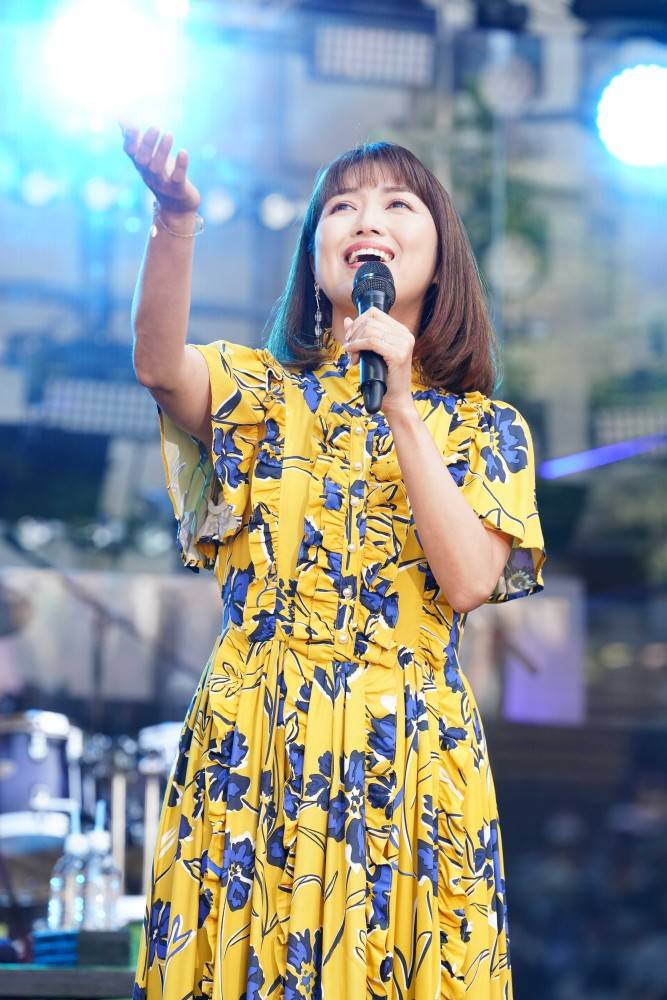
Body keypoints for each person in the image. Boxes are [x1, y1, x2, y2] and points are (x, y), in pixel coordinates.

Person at [121, 121, 547, 1000]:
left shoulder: (486, 430)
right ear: (317, 258)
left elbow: (469, 580)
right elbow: (161, 369)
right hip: (256, 744)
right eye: (342, 207)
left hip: (406, 759)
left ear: (440, 255)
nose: (367, 219)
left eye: (396, 204)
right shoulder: (261, 397)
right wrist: (174, 220)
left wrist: (400, 407)